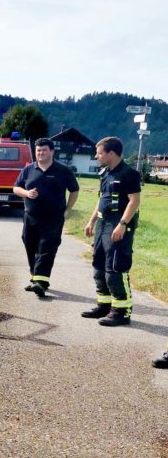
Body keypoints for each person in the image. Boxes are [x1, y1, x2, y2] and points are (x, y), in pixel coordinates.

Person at [81, 136, 141, 327]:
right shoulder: (105, 173)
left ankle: (121, 312)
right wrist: (92, 221)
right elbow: (102, 199)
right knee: (99, 268)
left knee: (115, 269)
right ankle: (104, 306)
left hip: (118, 225)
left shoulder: (129, 174)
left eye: (99, 153)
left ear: (111, 153)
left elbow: (134, 201)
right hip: (103, 224)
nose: (96, 156)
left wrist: (122, 224)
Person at [13, 138, 79, 298]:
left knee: (47, 248)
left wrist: (67, 210)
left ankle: (41, 282)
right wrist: (27, 193)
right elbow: (16, 188)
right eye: (38, 150)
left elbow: (74, 190)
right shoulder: (28, 169)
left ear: (52, 152)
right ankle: (36, 277)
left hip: (53, 218)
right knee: (30, 245)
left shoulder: (63, 170)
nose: (40, 153)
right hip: (31, 217)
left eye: (44, 150)